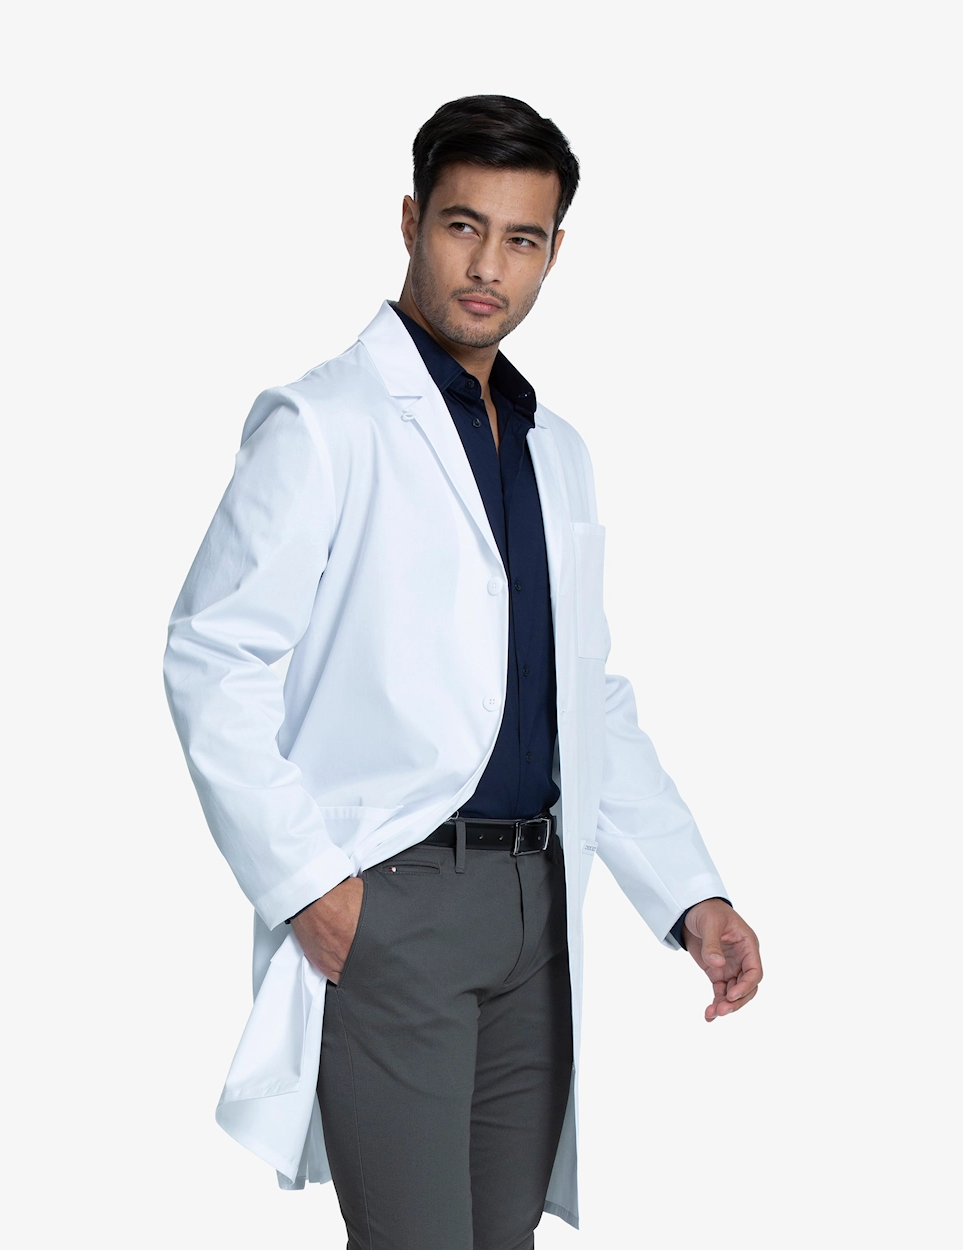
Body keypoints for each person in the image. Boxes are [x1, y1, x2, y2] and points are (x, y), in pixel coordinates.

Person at [164, 94, 763, 1250]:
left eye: (521, 238)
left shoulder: (554, 448)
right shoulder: (324, 423)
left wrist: (691, 893)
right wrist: (312, 887)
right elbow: (211, 655)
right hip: (396, 900)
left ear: (554, 251)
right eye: (461, 226)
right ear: (410, 221)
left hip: (538, 906)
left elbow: (583, 696)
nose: (489, 266)